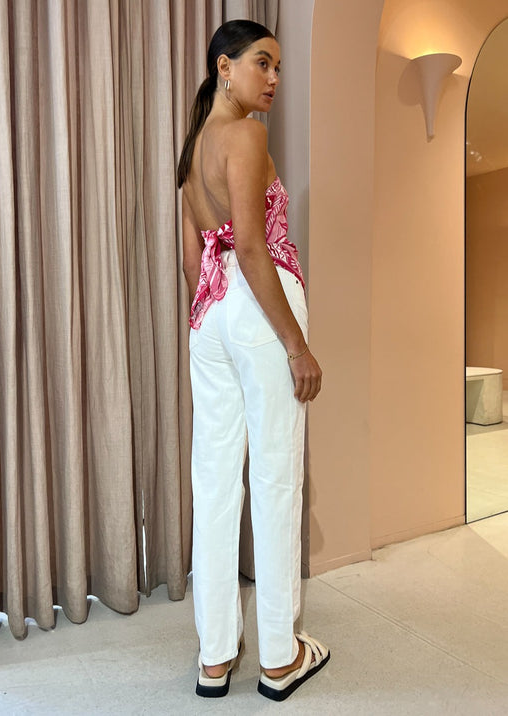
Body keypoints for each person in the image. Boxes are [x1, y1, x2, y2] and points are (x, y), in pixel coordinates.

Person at [177, 19, 330, 702]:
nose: (272, 78)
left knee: (213, 484)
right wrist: (295, 344)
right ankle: (278, 656)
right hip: (259, 307)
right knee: (274, 478)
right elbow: (248, 245)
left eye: (277, 68)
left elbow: (194, 259)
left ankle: (214, 658)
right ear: (224, 66)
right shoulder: (245, 134)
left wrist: (212, 321)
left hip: (209, 316)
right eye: (262, 63)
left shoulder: (191, 153)